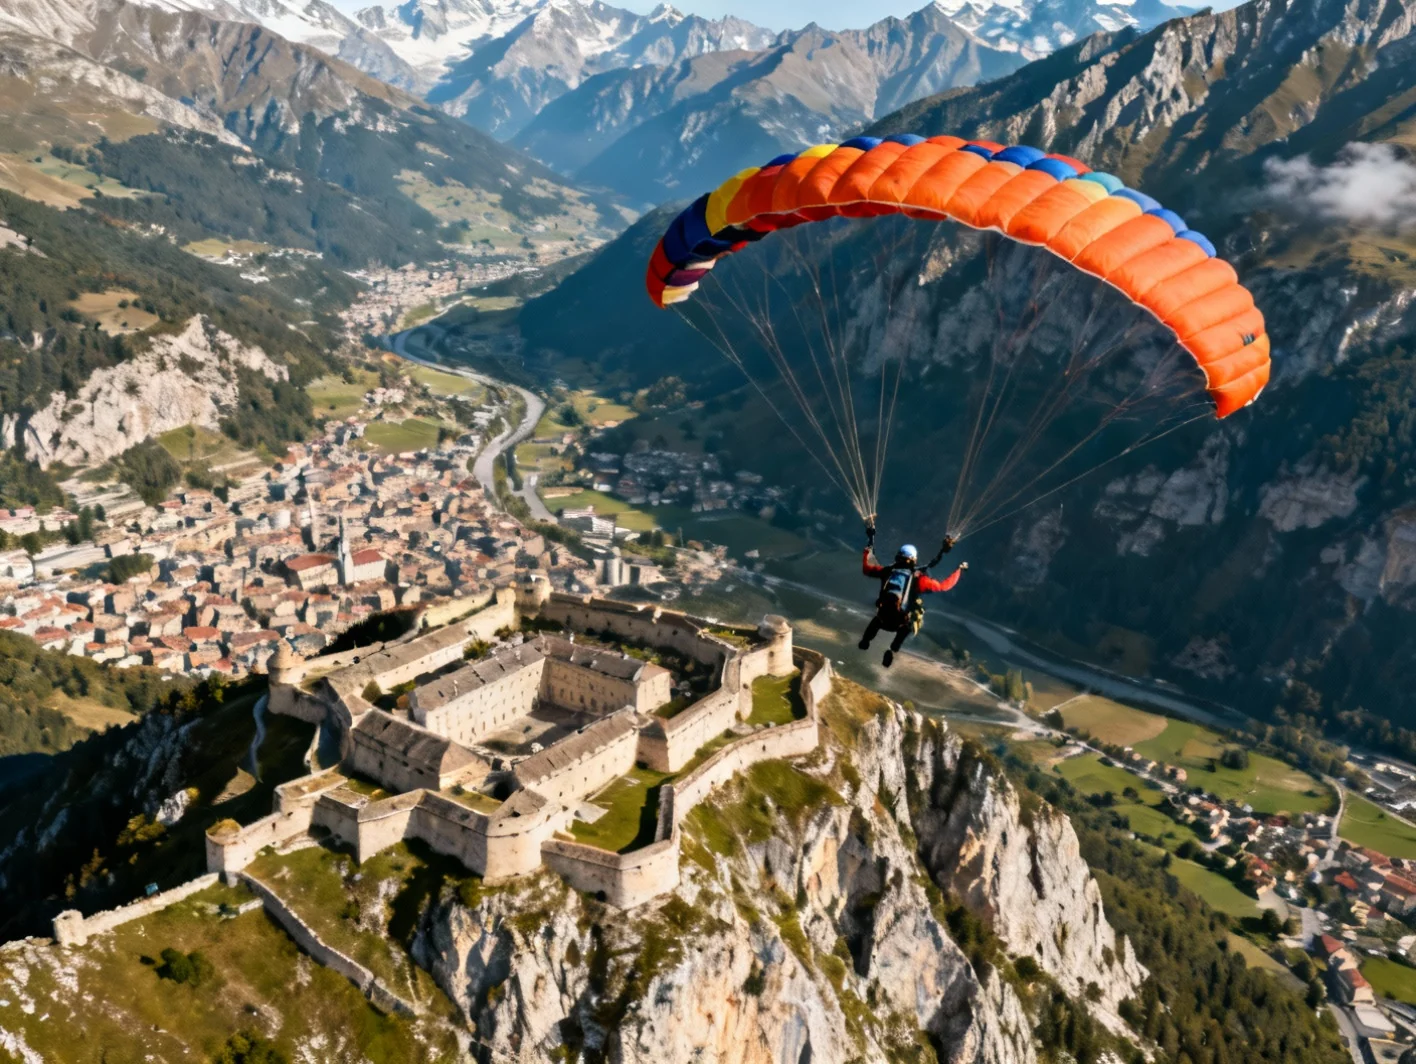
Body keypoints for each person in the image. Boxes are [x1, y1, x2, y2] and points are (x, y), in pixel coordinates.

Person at [858, 522, 967, 668]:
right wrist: (958, 570)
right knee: (908, 626)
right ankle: (893, 649)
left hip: (883, 617)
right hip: (900, 621)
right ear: (913, 560)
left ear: (899, 557)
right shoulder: (918, 579)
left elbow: (867, 568)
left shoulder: (888, 571)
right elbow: (943, 586)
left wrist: (870, 541)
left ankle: (866, 640)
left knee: (876, 620)